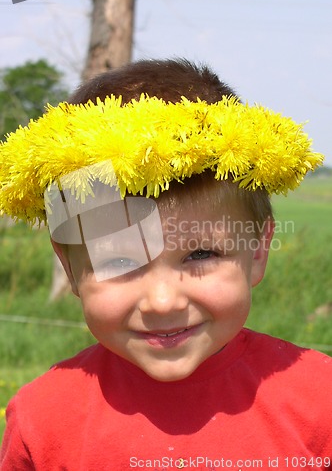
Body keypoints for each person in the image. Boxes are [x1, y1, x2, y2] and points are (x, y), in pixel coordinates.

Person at [0, 59, 331, 470]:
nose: (162, 301)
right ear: (70, 268)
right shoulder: (42, 418)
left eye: (201, 255)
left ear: (258, 252)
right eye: (119, 259)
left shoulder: (322, 404)